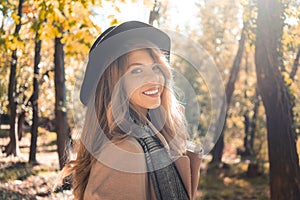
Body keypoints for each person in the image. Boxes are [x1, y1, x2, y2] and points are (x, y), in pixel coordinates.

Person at [62, 21, 202, 200]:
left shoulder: (152, 137)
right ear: (114, 84)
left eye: (155, 67)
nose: (153, 78)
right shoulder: (123, 152)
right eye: (136, 71)